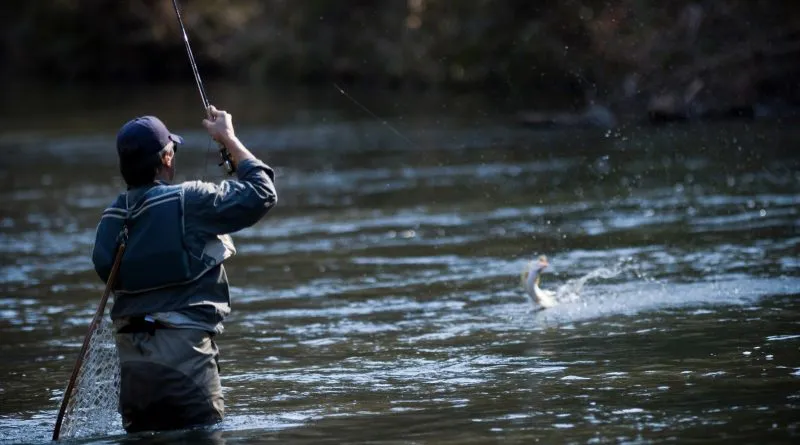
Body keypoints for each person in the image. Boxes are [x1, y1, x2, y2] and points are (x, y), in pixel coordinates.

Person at [91, 105, 277, 433]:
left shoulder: (109, 221)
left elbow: (108, 269)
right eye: (172, 150)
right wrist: (230, 140)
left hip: (134, 377)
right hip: (185, 371)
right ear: (166, 158)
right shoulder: (189, 201)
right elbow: (262, 194)